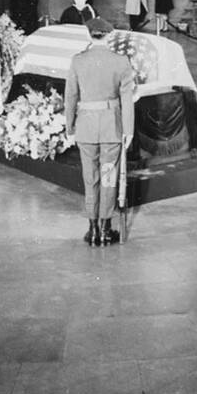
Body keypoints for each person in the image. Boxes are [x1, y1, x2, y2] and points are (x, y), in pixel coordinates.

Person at [64, 16, 135, 247]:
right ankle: (106, 228)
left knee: (89, 178)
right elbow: (127, 99)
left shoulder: (77, 61)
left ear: (89, 35)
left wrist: (69, 126)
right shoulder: (121, 61)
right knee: (108, 177)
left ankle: (92, 228)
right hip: (111, 128)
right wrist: (129, 130)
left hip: (85, 127)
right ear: (110, 35)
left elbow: (71, 97)